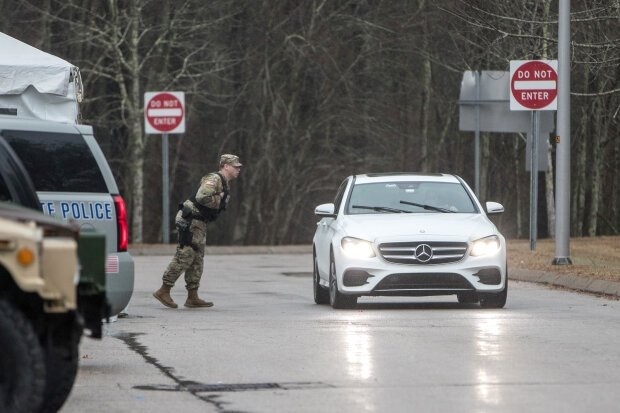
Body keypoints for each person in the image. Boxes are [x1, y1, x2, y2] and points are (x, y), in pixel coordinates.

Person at [153, 154, 242, 308]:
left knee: (197, 258)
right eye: (235, 166)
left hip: (199, 222)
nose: (238, 169)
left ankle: (192, 297)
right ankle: (164, 290)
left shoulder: (225, 183)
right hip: (190, 219)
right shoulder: (214, 179)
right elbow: (202, 197)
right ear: (225, 166)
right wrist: (219, 198)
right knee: (186, 254)